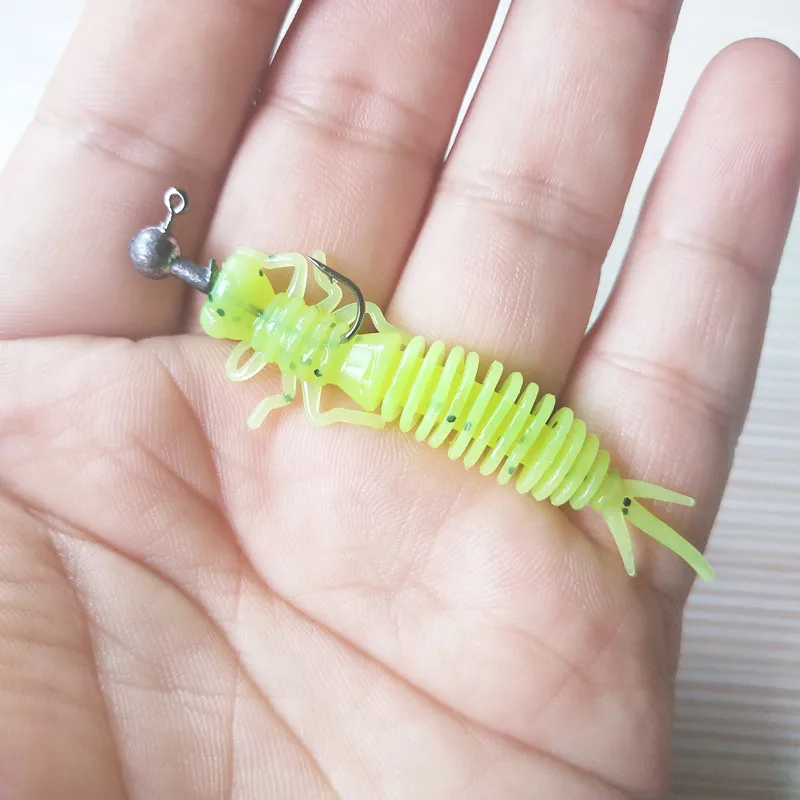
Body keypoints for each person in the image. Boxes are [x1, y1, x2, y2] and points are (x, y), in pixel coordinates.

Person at [1, 2, 798, 797]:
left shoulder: (317, 352)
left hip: (423, 391)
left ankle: (603, 487)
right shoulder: (326, 334)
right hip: (401, 379)